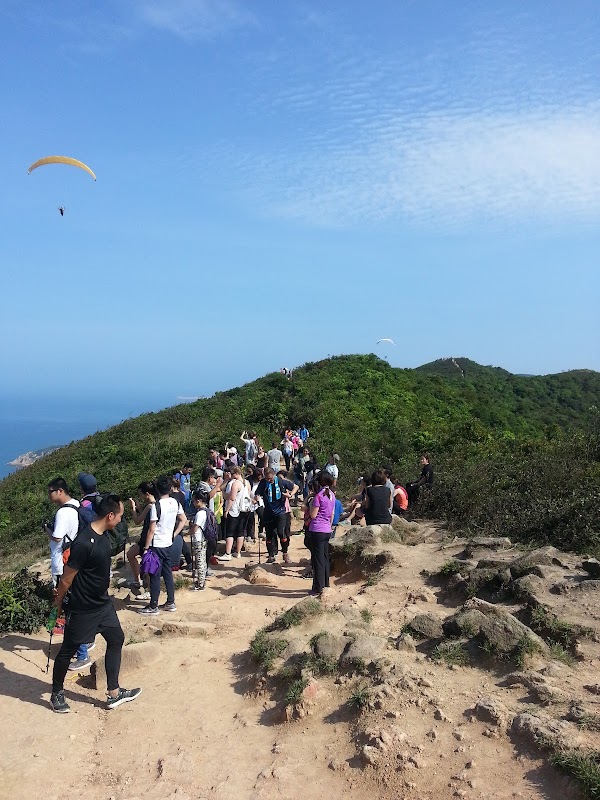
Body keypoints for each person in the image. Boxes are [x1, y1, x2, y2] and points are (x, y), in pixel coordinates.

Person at [50, 494, 142, 713]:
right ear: (110, 515)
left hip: (102, 604)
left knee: (116, 638)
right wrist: (58, 603)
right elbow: (66, 578)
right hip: (82, 608)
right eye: (119, 515)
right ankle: (56, 693)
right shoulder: (83, 542)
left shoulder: (104, 536)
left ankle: (114, 692)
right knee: (68, 650)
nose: (121, 520)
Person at [45, 478, 93, 670]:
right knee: (77, 605)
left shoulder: (63, 512)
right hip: (74, 561)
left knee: (69, 607)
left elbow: (57, 537)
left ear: (60, 491)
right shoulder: (77, 505)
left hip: (62, 564)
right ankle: (84, 642)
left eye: (51, 491)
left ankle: (81, 653)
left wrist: (47, 529)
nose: (49, 495)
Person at [137, 475, 186, 615]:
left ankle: (153, 606)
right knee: (167, 573)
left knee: (154, 575)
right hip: (168, 543)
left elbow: (151, 530)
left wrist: (146, 548)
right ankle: (171, 602)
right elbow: (183, 520)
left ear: (157, 489)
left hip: (156, 545)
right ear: (170, 488)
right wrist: (174, 534)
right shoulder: (175, 503)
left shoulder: (156, 506)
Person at [254, 467, 298, 563]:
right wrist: (256, 498)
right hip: (268, 512)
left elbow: (296, 486)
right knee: (269, 535)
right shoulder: (263, 483)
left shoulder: (281, 481)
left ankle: (285, 553)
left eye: (271, 479)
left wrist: (290, 495)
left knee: (281, 532)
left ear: (274, 475)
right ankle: (271, 555)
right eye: (267, 479)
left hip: (281, 511)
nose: (270, 481)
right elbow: (257, 493)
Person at [308, 472, 336, 595]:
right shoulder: (332, 495)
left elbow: (313, 515)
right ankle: (325, 585)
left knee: (317, 560)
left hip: (317, 529)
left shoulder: (318, 496)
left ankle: (318, 588)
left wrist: (309, 505)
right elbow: (332, 514)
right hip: (326, 529)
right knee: (324, 559)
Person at [127, 481, 155, 599]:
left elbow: (137, 521)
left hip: (146, 539)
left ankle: (149, 590)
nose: (140, 497)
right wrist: (140, 508)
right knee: (131, 554)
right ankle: (138, 581)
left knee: (147, 565)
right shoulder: (155, 504)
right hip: (147, 538)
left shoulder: (150, 506)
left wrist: (133, 509)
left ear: (147, 494)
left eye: (141, 494)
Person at [218, 466, 251, 560]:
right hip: (244, 510)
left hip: (234, 510)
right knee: (240, 532)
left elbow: (232, 498)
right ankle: (238, 552)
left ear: (236, 474)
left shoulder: (236, 484)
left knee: (230, 532)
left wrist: (226, 510)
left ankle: (228, 553)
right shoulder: (247, 483)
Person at [189, 489, 217, 590]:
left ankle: (201, 584)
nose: (193, 503)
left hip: (198, 539)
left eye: (193, 501)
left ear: (198, 501)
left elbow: (195, 528)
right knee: (202, 561)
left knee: (200, 562)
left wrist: (190, 530)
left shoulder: (200, 513)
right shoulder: (208, 510)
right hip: (204, 539)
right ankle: (202, 580)